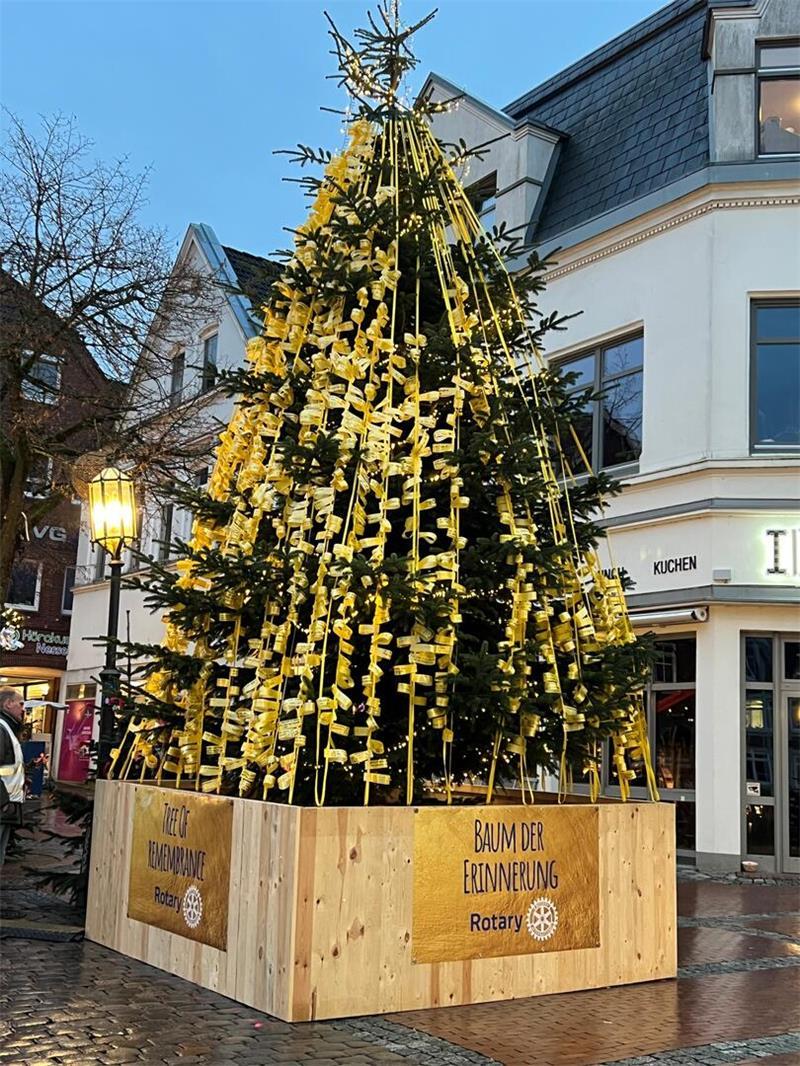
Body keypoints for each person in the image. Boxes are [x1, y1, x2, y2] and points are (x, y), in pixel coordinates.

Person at [0, 687, 26, 865]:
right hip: (3, 804)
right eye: (21, 703)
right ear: (8, 704)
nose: (23, 708)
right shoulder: (2, 728)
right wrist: (3, 802)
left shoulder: (7, 728)